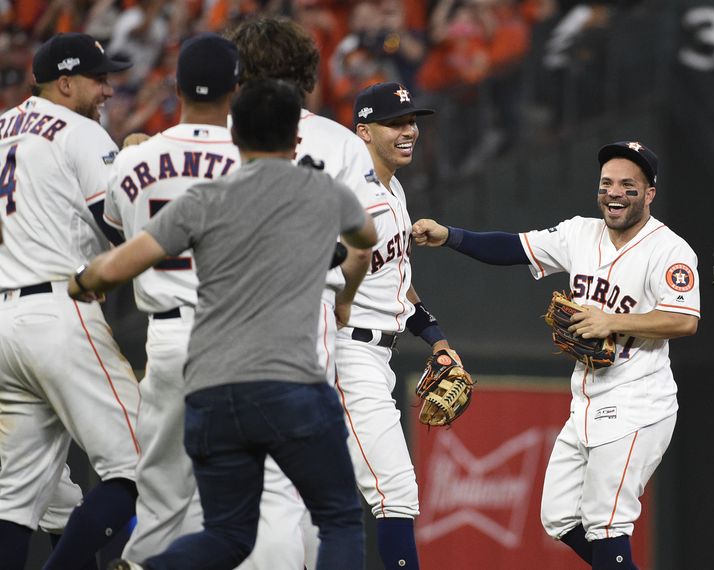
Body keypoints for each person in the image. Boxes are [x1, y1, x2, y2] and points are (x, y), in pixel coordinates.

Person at [72, 78, 377, 570]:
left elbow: (117, 265)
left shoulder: (205, 198)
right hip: (289, 383)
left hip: (212, 388)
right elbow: (364, 241)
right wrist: (345, 296)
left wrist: (82, 280)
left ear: (236, 137)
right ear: (296, 138)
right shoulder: (322, 190)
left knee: (227, 533)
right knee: (338, 519)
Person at [412, 141, 700, 569]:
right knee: (560, 516)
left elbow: (684, 320)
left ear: (649, 193)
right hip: (586, 399)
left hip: (639, 402)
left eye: (628, 185)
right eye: (606, 183)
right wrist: (450, 236)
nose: (615, 192)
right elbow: (513, 248)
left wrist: (611, 321)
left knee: (606, 523)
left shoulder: (670, 250)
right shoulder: (580, 233)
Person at [225, 16, 383, 568]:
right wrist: (345, 299)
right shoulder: (340, 142)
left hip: (222, 311)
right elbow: (363, 244)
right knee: (302, 479)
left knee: (241, 482)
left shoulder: (219, 131)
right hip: (304, 306)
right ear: (308, 74)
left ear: (240, 74)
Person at [0, 32, 141, 570]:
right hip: (58, 311)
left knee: (14, 502)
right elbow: (123, 227)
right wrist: (139, 165)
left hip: (6, 320)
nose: (108, 90)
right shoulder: (78, 130)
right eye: (98, 79)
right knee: (142, 464)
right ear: (64, 82)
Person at [341, 80, 464, 570]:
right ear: (363, 131)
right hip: (346, 352)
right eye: (394, 124)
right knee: (394, 491)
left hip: (375, 351)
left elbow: (397, 283)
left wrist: (436, 338)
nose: (408, 131)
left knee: (320, 500)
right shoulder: (348, 192)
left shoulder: (392, 186)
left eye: (411, 121)